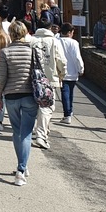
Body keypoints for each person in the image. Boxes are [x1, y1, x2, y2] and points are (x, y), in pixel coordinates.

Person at [0, 20, 36, 186]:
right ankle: (21, 169)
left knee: (17, 132)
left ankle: (22, 166)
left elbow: (2, 78)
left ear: (10, 34)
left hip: (11, 95)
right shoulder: (33, 51)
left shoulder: (5, 53)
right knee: (26, 133)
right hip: (30, 95)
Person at [31, 22, 65, 150]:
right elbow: (61, 60)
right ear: (50, 28)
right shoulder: (54, 41)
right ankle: (41, 135)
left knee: (35, 105)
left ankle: (39, 129)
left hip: (33, 78)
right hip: (49, 78)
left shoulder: (31, 40)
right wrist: (61, 74)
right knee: (47, 107)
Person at [56, 23, 84, 123]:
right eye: (72, 32)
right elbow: (77, 58)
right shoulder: (74, 43)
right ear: (69, 32)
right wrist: (81, 69)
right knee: (70, 92)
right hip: (72, 71)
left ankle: (68, 113)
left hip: (61, 71)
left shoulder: (56, 41)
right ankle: (69, 112)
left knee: (65, 92)